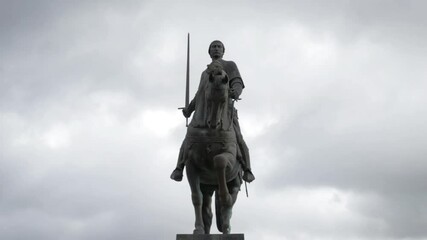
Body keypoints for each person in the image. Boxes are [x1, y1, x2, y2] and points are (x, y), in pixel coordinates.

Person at [170, 40, 255, 183]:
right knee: (189, 136)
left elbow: (237, 82)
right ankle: (179, 167)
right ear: (209, 52)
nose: (216, 49)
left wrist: (236, 91)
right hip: (204, 112)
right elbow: (199, 94)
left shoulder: (229, 65)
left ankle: (247, 168)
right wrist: (189, 110)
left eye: (219, 47)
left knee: (238, 137)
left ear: (223, 51)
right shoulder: (205, 73)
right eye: (213, 47)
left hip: (225, 110)